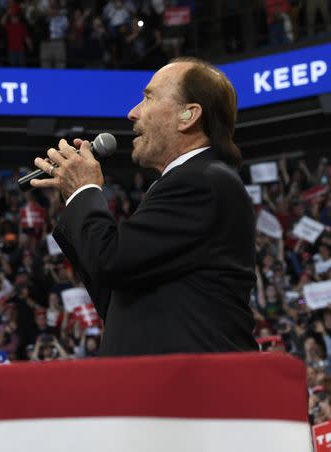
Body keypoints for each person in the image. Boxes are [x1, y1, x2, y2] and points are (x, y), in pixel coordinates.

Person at [31, 57, 257, 356]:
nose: (132, 113)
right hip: (166, 385)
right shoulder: (192, 181)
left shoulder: (201, 181)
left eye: (148, 98)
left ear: (188, 115)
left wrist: (84, 190)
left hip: (192, 390)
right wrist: (76, 195)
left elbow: (109, 261)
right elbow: (116, 295)